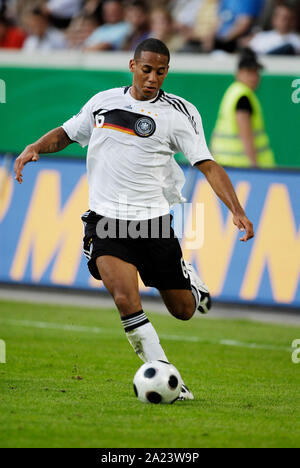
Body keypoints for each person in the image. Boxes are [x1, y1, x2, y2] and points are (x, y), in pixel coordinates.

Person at [14, 38, 254, 400]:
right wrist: (35, 147)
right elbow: (67, 133)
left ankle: (187, 276)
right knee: (126, 298)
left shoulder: (179, 114)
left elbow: (207, 164)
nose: (153, 78)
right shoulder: (103, 102)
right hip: (106, 223)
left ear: (167, 71)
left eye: (160, 71)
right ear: (132, 65)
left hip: (154, 225)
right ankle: (169, 377)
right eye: (146, 69)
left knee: (184, 310)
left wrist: (236, 210)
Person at [211, 48, 275, 168]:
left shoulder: (233, 91)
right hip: (242, 167)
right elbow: (246, 135)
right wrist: (254, 166)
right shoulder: (243, 97)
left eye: (256, 72)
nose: (254, 77)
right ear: (239, 73)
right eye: (249, 72)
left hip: (226, 164)